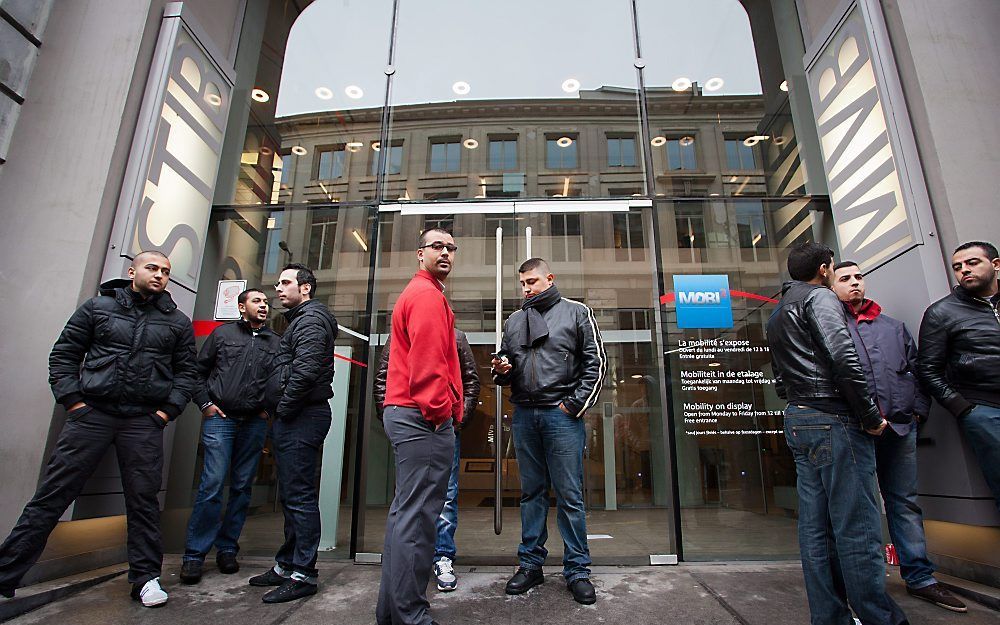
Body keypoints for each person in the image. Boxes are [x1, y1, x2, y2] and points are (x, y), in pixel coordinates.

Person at [0, 251, 197, 607]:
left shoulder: (178, 322)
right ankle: (5, 576)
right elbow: (64, 355)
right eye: (152, 268)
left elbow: (186, 374)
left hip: (142, 421)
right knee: (52, 496)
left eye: (166, 272)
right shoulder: (97, 308)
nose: (159, 275)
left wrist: (165, 413)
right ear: (132, 270)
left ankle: (145, 579)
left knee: (143, 502)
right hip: (93, 415)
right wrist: (74, 402)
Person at [765, 242, 907, 625]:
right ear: (826, 269)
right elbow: (843, 356)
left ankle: (829, 617)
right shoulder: (820, 299)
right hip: (835, 419)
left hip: (799, 417)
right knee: (857, 526)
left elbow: (779, 376)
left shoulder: (778, 312)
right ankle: (881, 619)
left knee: (816, 529)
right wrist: (869, 415)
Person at [832, 262, 966, 612]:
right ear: (831, 285)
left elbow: (917, 369)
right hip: (854, 429)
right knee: (858, 508)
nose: (854, 284)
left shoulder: (893, 328)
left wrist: (918, 410)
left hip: (901, 426)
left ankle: (921, 577)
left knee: (904, 502)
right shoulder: (831, 328)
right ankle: (866, 583)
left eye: (858, 277)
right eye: (844, 279)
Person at [491, 258, 606, 606]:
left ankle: (578, 570)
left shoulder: (576, 312)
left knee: (570, 495)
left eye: (532, 281)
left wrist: (571, 406)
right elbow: (504, 370)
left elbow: (596, 363)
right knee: (531, 493)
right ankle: (531, 565)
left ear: (549, 278)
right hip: (525, 414)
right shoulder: (513, 321)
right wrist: (501, 367)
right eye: (523, 283)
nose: (526, 288)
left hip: (561, 416)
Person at [376, 228, 463, 625]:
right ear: (420, 253)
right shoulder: (427, 295)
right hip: (421, 417)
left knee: (405, 517)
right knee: (418, 521)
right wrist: (442, 412)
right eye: (437, 246)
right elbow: (428, 369)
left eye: (450, 247)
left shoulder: (425, 293)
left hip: (409, 414)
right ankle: (411, 616)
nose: (445, 252)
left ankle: (393, 614)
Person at [249, 264, 338, 603]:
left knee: (299, 498)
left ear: (305, 288)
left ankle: (304, 574)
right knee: (291, 496)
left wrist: (283, 409)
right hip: (295, 416)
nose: (278, 288)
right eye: (277, 282)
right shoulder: (301, 319)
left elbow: (306, 370)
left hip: (302, 416)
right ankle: (286, 565)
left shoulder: (312, 320)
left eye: (285, 282)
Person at [180, 288, 280, 584]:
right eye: (257, 301)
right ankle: (194, 555)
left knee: (241, 488)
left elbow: (279, 381)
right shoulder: (223, 335)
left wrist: (268, 410)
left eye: (265, 302)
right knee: (212, 484)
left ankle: (227, 549)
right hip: (220, 420)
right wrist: (205, 404)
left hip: (254, 422)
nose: (263, 305)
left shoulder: (274, 342)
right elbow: (197, 372)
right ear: (241, 306)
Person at [374, 328, 481, 592]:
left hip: (444, 426)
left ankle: (442, 556)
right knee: (407, 496)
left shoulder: (455, 337)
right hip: (409, 425)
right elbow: (382, 380)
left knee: (445, 493)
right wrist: (390, 418)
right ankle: (404, 560)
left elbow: (470, 381)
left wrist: (457, 421)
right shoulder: (400, 335)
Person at [917, 241, 1000, 512]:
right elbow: (928, 370)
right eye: (957, 267)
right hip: (985, 411)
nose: (964, 270)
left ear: (995, 265)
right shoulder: (941, 313)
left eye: (972, 263)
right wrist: (965, 410)